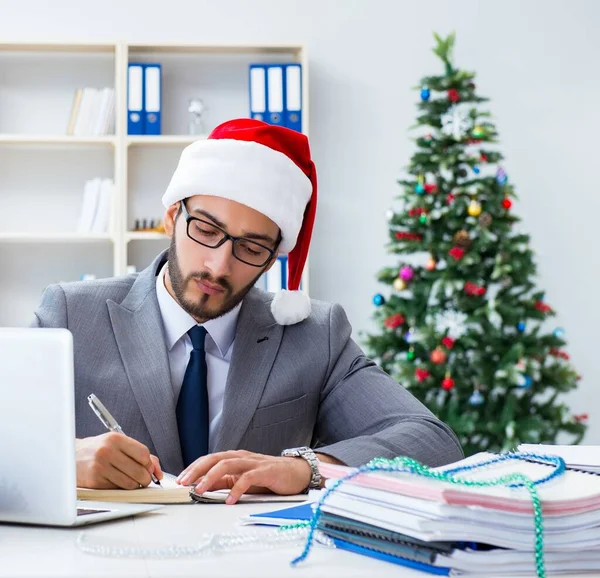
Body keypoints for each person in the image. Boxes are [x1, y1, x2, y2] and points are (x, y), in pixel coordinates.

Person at [31, 118, 463, 503]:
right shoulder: (70, 314)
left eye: (252, 248)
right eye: (205, 229)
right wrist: (63, 457)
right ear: (170, 217)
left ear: (275, 254)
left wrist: (307, 468)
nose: (219, 266)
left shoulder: (315, 335)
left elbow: (433, 440)